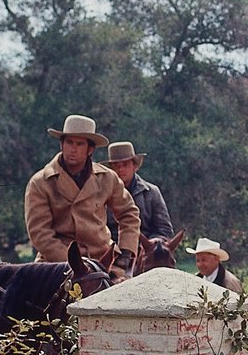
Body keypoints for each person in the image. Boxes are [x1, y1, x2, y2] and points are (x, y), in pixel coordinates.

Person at [24, 114, 140, 278]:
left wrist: (126, 254)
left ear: (90, 149)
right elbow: (40, 234)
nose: (73, 149)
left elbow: (129, 214)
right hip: (56, 265)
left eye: (79, 144)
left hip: (103, 262)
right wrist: (75, 264)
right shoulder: (41, 183)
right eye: (69, 142)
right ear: (61, 144)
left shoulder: (107, 178)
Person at [104, 142, 175, 242]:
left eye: (125, 164)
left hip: (147, 250)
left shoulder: (151, 192)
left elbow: (165, 230)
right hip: (113, 249)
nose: (121, 169)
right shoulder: (103, 195)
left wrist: (152, 243)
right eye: (116, 166)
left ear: (135, 166)